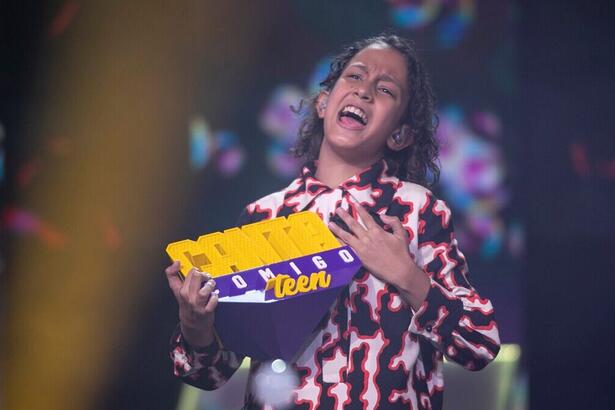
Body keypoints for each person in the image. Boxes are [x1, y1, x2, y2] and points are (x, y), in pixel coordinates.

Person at [165, 34, 500, 409]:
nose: (364, 92)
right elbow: (211, 372)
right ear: (324, 103)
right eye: (355, 77)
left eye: (385, 89)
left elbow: (480, 342)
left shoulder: (417, 210)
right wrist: (196, 325)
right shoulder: (264, 215)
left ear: (400, 134)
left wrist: (406, 275)